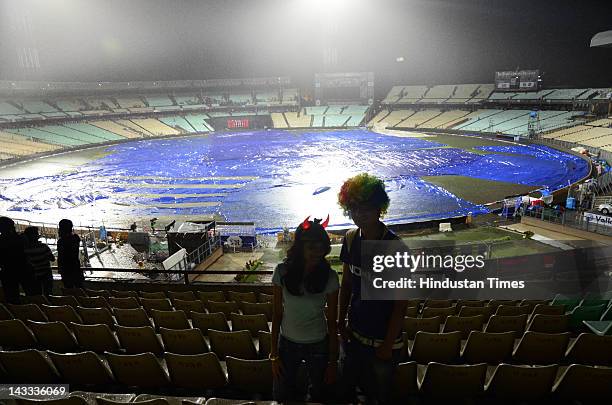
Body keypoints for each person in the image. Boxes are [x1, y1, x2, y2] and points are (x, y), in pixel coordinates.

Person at [336, 173, 407, 404]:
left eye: (366, 208)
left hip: (383, 343)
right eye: (354, 208)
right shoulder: (350, 239)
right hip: (354, 335)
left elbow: (400, 303)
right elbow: (346, 284)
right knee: (350, 390)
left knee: (380, 395)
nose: (359, 214)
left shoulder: (396, 248)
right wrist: (340, 322)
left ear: (380, 209)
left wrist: (387, 344)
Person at [270, 216, 339, 402]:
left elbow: (333, 322)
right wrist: (273, 355)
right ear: (300, 247)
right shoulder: (281, 272)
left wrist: (333, 362)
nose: (317, 252)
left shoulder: (330, 277)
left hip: (319, 343)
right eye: (311, 247)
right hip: (287, 344)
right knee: (283, 394)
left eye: (321, 247)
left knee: (320, 394)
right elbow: (276, 315)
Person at [0, 217, 37, 303]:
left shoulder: (2, 241)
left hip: (7, 272)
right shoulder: (21, 238)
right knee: (33, 296)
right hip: (25, 270)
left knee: (12, 299)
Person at [23, 226, 55, 296]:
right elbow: (52, 259)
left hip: (34, 276)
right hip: (46, 274)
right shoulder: (44, 247)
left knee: (37, 295)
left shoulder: (25, 249)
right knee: (48, 294)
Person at [57, 219, 85, 288]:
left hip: (65, 269)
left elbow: (61, 256)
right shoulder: (75, 238)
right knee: (79, 290)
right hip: (75, 267)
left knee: (69, 290)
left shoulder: (61, 241)